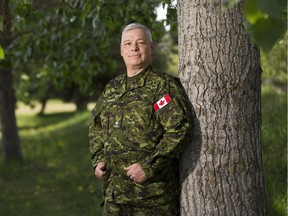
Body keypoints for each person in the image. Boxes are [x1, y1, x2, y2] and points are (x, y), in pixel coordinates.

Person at [89, 22, 192, 216]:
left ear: (151, 48)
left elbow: (179, 129)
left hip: (151, 198)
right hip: (115, 196)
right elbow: (96, 125)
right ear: (121, 50)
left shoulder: (161, 86)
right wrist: (98, 158)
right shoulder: (113, 88)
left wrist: (148, 166)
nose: (133, 48)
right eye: (127, 44)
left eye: (140, 42)